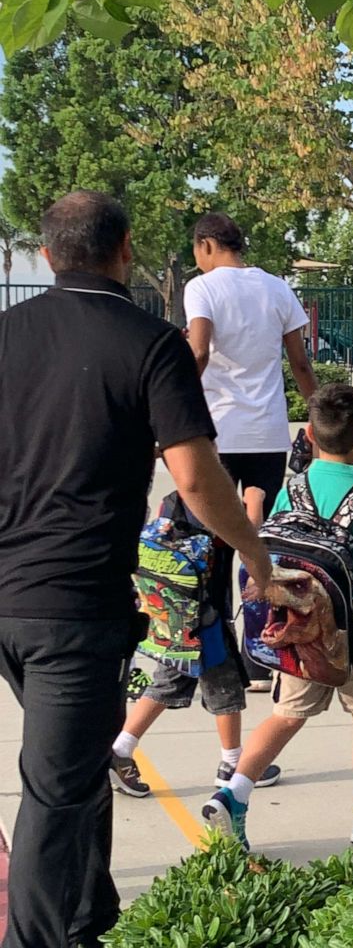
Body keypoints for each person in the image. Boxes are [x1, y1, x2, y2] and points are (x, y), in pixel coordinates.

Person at [0, 191, 271, 948]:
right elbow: (195, 479)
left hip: (15, 597)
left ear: (50, 255)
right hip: (71, 610)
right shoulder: (153, 345)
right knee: (56, 796)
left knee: (79, 764)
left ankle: (89, 919)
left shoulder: (5, 333)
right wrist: (255, 555)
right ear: (125, 251)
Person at [201, 384, 353, 850]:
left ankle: (234, 791)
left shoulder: (290, 489)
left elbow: (270, 546)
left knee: (286, 714)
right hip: (351, 631)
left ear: (310, 435)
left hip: (296, 630)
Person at [184, 212, 317, 691]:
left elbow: (198, 353)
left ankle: (218, 661)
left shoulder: (202, 289)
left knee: (212, 547)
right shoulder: (278, 287)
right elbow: (299, 362)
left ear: (206, 246)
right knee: (263, 545)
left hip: (217, 435)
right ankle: (264, 657)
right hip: (267, 435)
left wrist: (174, 405)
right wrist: (318, 421)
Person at [109, 489, 280, 799]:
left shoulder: (172, 500)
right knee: (225, 689)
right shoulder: (217, 502)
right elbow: (248, 539)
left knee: (166, 681)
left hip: (174, 617)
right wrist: (254, 502)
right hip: (206, 619)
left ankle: (121, 748)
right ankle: (231, 764)